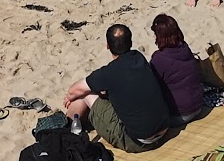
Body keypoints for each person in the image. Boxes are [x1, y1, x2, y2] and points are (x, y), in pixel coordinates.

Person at [62, 24, 171, 152]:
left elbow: (74, 90)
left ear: (108, 45)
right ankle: (73, 124)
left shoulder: (109, 73)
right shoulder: (138, 57)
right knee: (95, 91)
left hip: (138, 141)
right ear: (130, 42)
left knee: (84, 94)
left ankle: (66, 129)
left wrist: (70, 97)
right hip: (164, 129)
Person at [148, 15, 209, 123]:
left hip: (179, 115)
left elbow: (151, 87)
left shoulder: (159, 59)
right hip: (198, 105)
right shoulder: (185, 48)